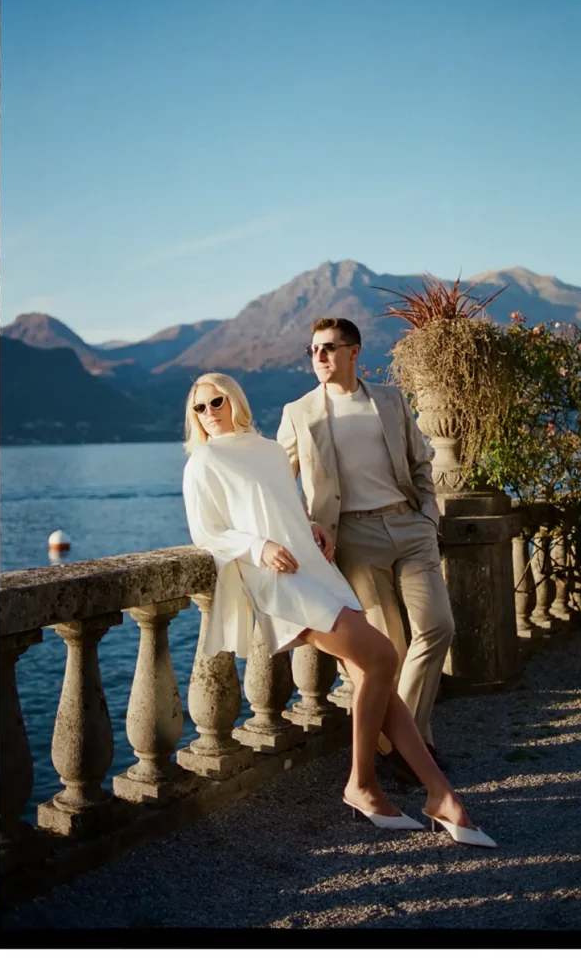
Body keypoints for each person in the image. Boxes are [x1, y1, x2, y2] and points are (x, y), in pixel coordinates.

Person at [182, 371, 496, 847]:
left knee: (378, 680)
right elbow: (207, 533)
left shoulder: (265, 449)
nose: (209, 413)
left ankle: (439, 796)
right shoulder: (203, 461)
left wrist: (310, 524)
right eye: (199, 408)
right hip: (279, 580)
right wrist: (258, 546)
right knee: (384, 657)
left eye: (216, 401)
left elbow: (283, 504)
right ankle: (363, 784)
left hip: (315, 568)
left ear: (235, 400)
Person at [277, 317, 455, 783]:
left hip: (409, 526)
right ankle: (417, 749)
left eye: (329, 348)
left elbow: (421, 461)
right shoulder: (299, 412)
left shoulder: (391, 400)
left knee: (438, 627)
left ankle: (398, 740)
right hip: (353, 540)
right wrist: (300, 527)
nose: (319, 356)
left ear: (354, 353)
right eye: (313, 349)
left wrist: (427, 517)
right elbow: (279, 484)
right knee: (389, 647)